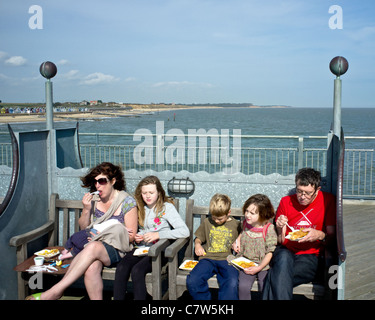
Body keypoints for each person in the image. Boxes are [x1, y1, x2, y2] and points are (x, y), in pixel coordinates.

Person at [26, 162, 138, 300]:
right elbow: (84, 229)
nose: (98, 185)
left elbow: (131, 237)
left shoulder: (127, 202)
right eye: (95, 182)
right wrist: (86, 209)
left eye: (102, 181)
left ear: (113, 181)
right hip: (94, 248)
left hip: (118, 249)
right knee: (91, 268)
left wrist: (104, 234)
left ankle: (55, 291)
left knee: (92, 247)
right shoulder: (95, 200)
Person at [262, 167, 336, 300]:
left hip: (311, 256)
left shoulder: (327, 201)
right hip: (286, 251)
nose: (302, 197)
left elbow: (332, 238)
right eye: (299, 191)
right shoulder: (286, 201)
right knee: (283, 260)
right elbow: (281, 241)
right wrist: (280, 228)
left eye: (308, 193)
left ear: (317, 190)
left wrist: (319, 235)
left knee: (276, 276)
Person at [113, 175, 189, 300]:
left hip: (159, 251)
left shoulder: (166, 208)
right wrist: (140, 236)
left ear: (159, 192)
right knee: (122, 267)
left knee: (137, 270)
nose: (148, 196)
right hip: (142, 248)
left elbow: (184, 231)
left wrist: (159, 235)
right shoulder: (141, 208)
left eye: (151, 192)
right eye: (144, 193)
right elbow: (145, 228)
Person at [186, 193, 241, 300]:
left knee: (232, 282)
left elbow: (245, 235)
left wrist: (239, 240)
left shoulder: (236, 225)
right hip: (207, 259)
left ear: (228, 213)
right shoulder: (207, 222)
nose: (216, 221)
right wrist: (197, 245)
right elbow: (198, 238)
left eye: (220, 219)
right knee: (193, 280)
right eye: (214, 217)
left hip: (227, 260)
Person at [228, 194, 277, 300]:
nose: (247, 215)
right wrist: (238, 240)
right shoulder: (246, 223)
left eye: (252, 213)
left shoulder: (268, 229)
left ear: (263, 214)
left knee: (265, 285)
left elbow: (270, 252)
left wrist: (259, 268)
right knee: (243, 287)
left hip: (263, 264)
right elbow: (243, 232)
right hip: (247, 262)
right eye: (246, 211)